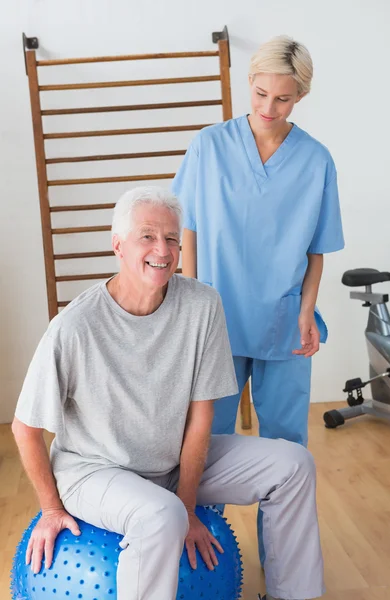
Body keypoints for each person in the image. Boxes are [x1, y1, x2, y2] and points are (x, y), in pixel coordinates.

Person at [12, 186, 325, 600]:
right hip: (95, 470)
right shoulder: (74, 326)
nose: (162, 249)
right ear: (118, 245)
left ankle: (291, 595)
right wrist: (52, 509)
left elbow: (200, 418)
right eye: (147, 236)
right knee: (162, 514)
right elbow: (25, 428)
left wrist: (189, 503)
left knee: (293, 464)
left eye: (172, 238)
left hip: (171, 460)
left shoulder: (202, 305)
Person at [172, 35, 344, 448]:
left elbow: (315, 250)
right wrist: (190, 305)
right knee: (206, 441)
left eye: (283, 99)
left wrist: (306, 311)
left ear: (300, 95)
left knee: (286, 446)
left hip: (283, 321)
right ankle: (200, 517)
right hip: (217, 318)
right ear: (249, 81)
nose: (269, 108)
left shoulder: (316, 159)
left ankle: (284, 517)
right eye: (261, 93)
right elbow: (189, 231)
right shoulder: (209, 146)